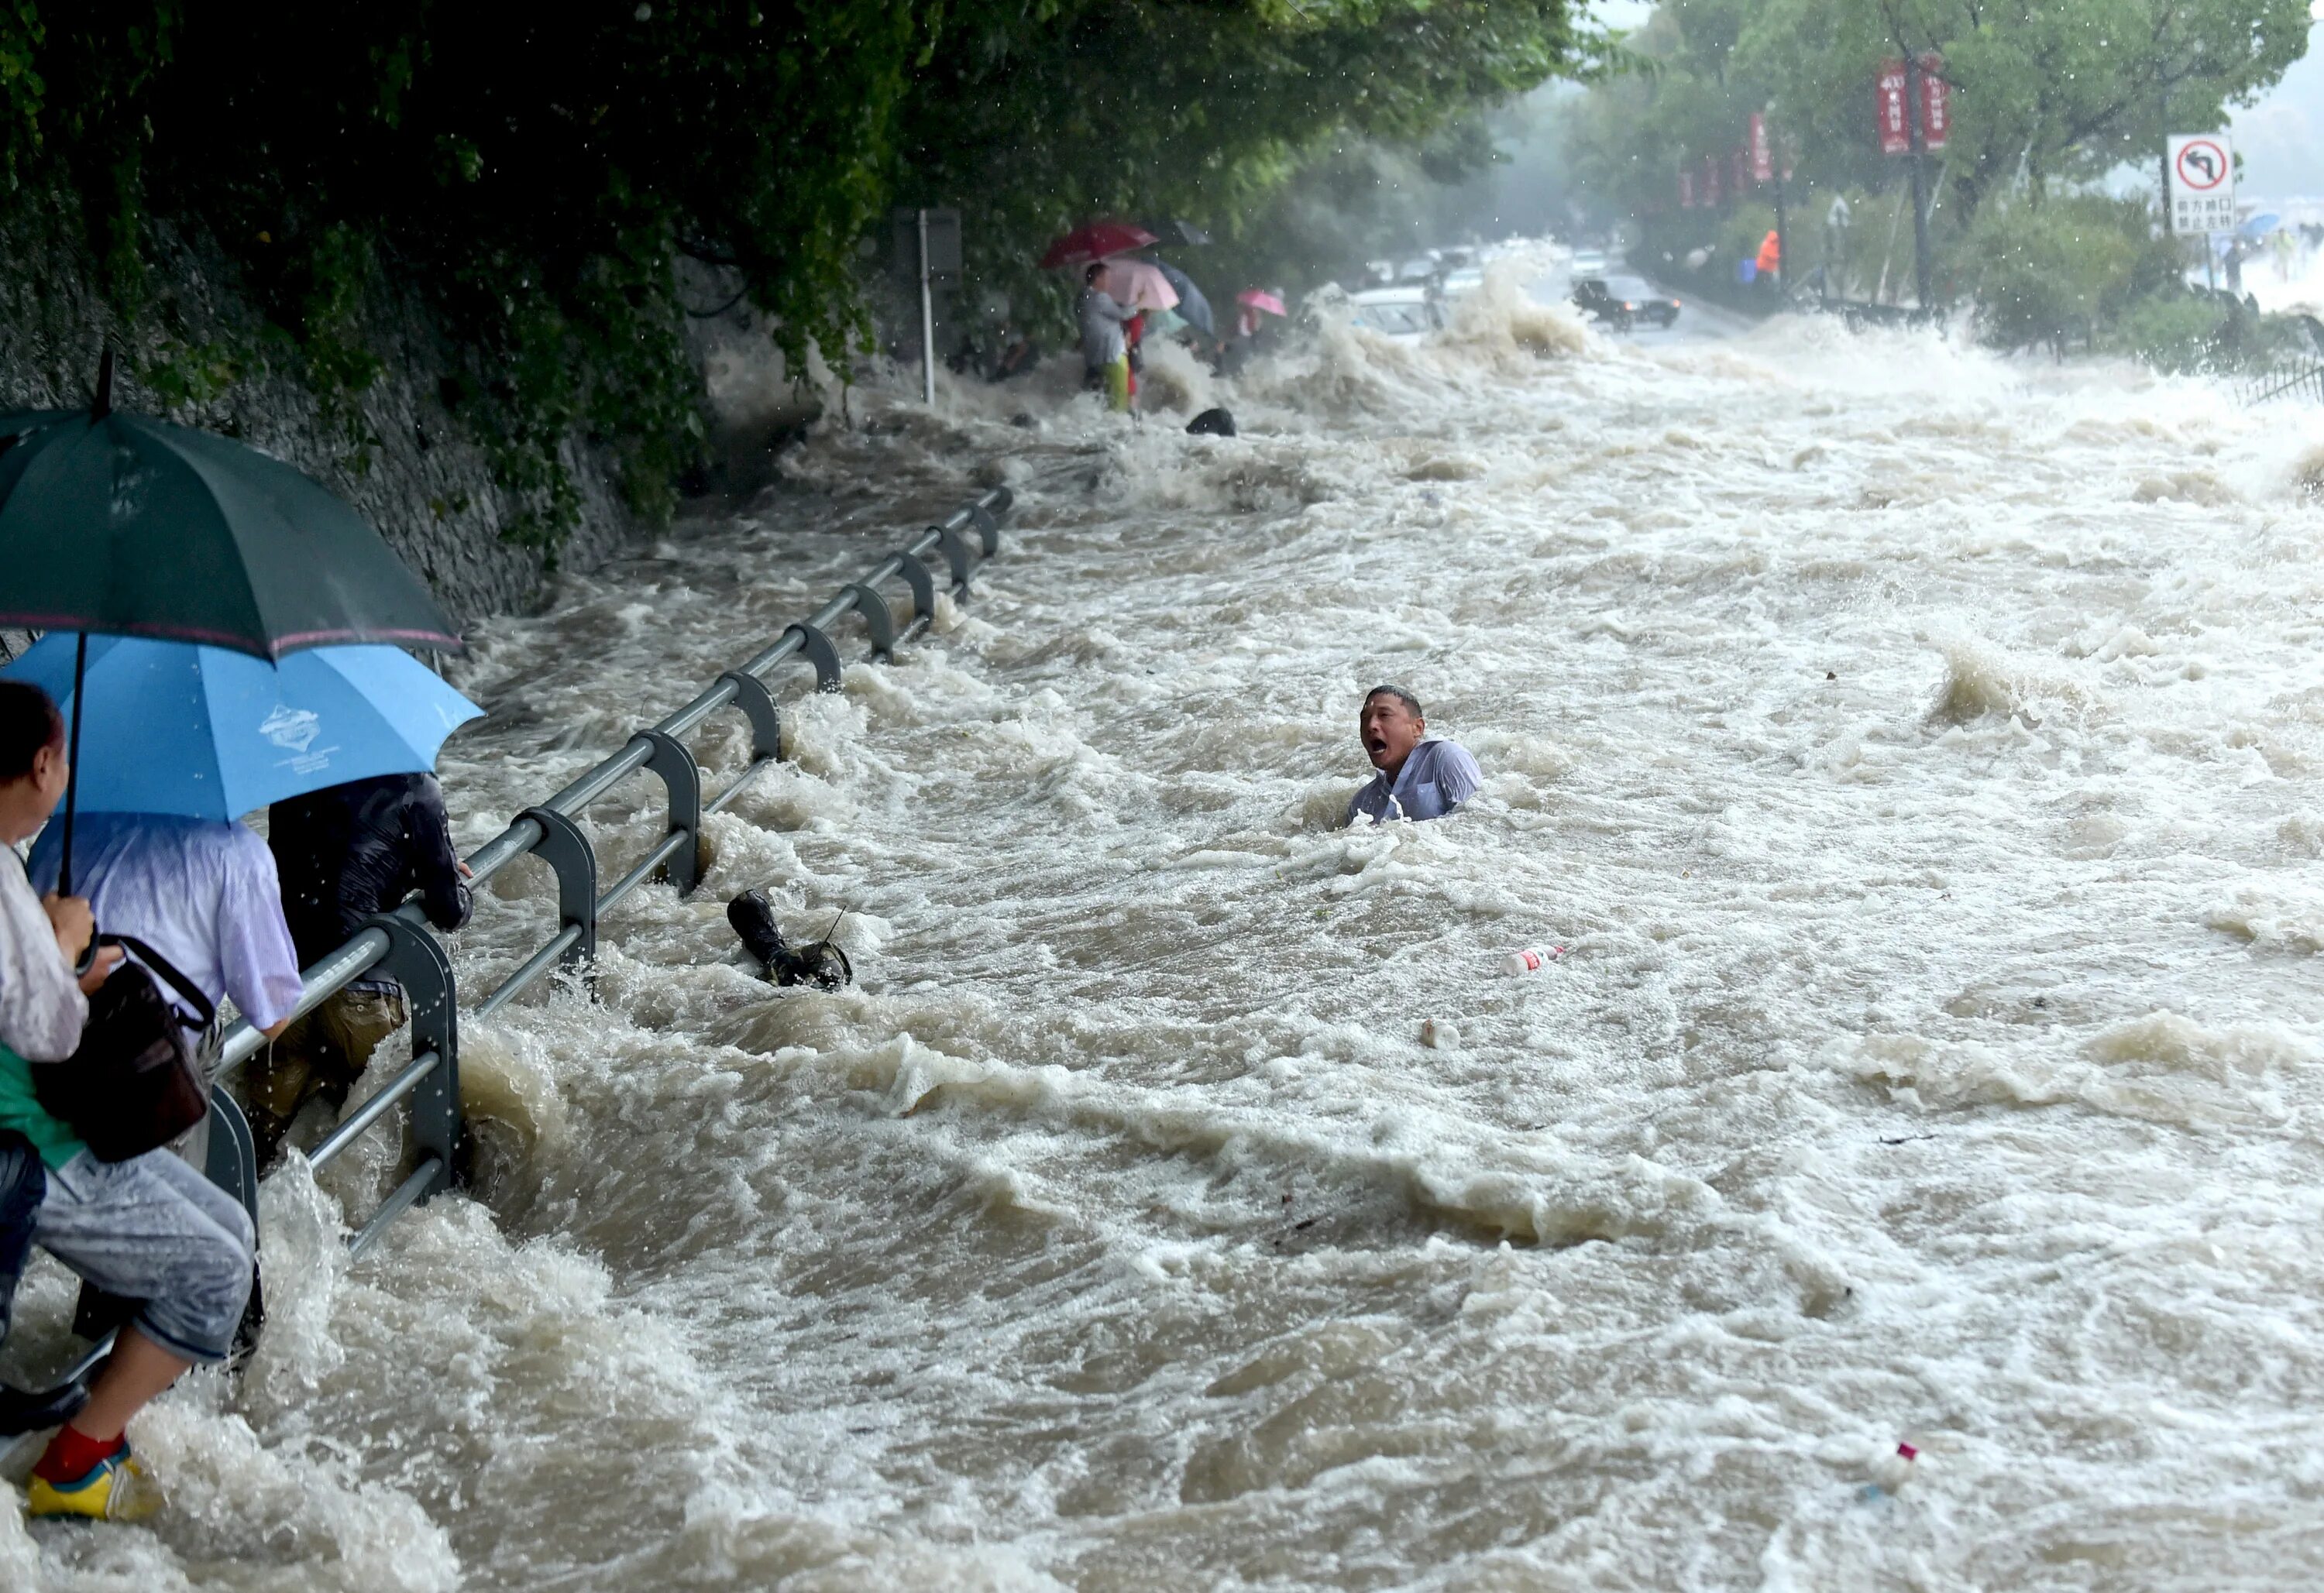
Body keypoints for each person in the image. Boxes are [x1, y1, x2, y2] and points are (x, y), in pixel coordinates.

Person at [0, 680, 254, 1522]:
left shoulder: (13, 861)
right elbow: (45, 1029)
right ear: (42, 764)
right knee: (218, 1267)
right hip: (29, 1140)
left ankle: (88, 1437)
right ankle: (77, 1461)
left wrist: (54, 955)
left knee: (234, 1230)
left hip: (43, 1119)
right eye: (63, 757)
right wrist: (64, 948)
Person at [256, 773, 472, 1171]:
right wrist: (444, 876)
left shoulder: (293, 778)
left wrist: (404, 869)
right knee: (413, 1137)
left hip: (288, 995)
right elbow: (449, 910)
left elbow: (310, 867)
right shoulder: (415, 784)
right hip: (362, 996)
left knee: (255, 1151)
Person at [1345, 685, 1482, 826]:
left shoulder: (1448, 758)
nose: (1371, 725)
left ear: (1417, 728)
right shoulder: (1362, 804)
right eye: (1365, 718)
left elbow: (1478, 823)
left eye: (1384, 715)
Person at [1078, 263, 1133, 413]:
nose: (1110, 282)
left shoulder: (1083, 297)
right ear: (1098, 278)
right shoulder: (1099, 297)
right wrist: (1139, 302)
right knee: (1118, 404)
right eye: (1108, 277)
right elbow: (1124, 314)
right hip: (1111, 355)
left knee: (1097, 402)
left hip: (1093, 358)